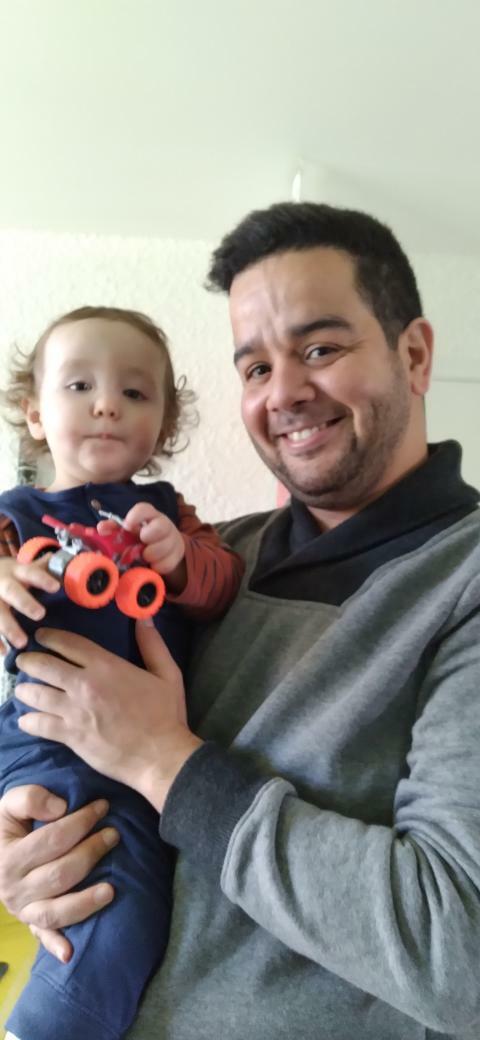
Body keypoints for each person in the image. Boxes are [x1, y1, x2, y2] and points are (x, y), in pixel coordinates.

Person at [1, 203, 480, 1040]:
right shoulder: (203, 559)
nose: (284, 393)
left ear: (413, 355)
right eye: (256, 367)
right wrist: (24, 855)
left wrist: (162, 761)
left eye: (320, 349)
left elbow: (460, 953)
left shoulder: (461, 580)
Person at [0, 305, 243, 1040]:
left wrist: (180, 559)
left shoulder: (170, 514)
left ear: (162, 428)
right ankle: (52, 1024)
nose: (107, 403)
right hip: (46, 739)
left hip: (148, 759)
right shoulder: (15, 517)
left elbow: (223, 584)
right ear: (34, 413)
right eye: (79, 385)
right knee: (110, 894)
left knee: (141, 893)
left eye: (135, 393)